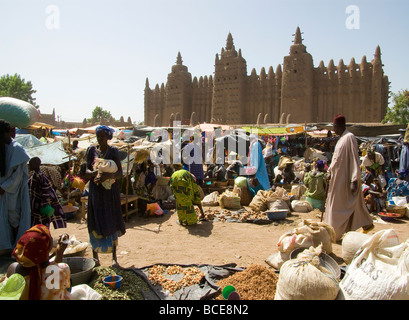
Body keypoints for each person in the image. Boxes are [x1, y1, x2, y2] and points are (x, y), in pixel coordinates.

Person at [324, 115, 374, 241]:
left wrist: (354, 179)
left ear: (339, 126)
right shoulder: (341, 139)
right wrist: (330, 171)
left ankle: (336, 233)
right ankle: (364, 224)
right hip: (337, 178)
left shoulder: (349, 137)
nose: (334, 130)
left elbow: (354, 158)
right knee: (346, 205)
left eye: (334, 127)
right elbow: (336, 159)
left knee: (340, 207)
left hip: (345, 179)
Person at [83, 125, 125, 266]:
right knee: (95, 220)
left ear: (108, 137)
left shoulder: (113, 151)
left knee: (111, 219)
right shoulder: (91, 151)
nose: (100, 139)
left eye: (103, 136)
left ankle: (114, 257)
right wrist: (95, 174)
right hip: (96, 191)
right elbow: (86, 171)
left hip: (109, 192)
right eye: (98, 136)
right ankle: (95, 257)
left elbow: (120, 173)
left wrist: (107, 175)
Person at [6, 224, 71, 300]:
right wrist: (60, 254)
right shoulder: (63, 269)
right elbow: (55, 280)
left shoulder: (13, 269)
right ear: (48, 248)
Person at [0, 119, 31, 254]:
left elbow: (18, 175)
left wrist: (4, 187)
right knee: (4, 217)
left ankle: (17, 247)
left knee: (15, 217)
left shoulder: (16, 148)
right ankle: (7, 246)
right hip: (3, 190)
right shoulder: (2, 147)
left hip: (14, 190)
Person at [28, 157, 66, 229]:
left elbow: (45, 190)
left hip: (39, 206)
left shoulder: (40, 176)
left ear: (36, 165)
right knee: (41, 227)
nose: (29, 166)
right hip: (37, 204)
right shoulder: (35, 175)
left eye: (30, 164)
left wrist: (44, 203)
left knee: (40, 226)